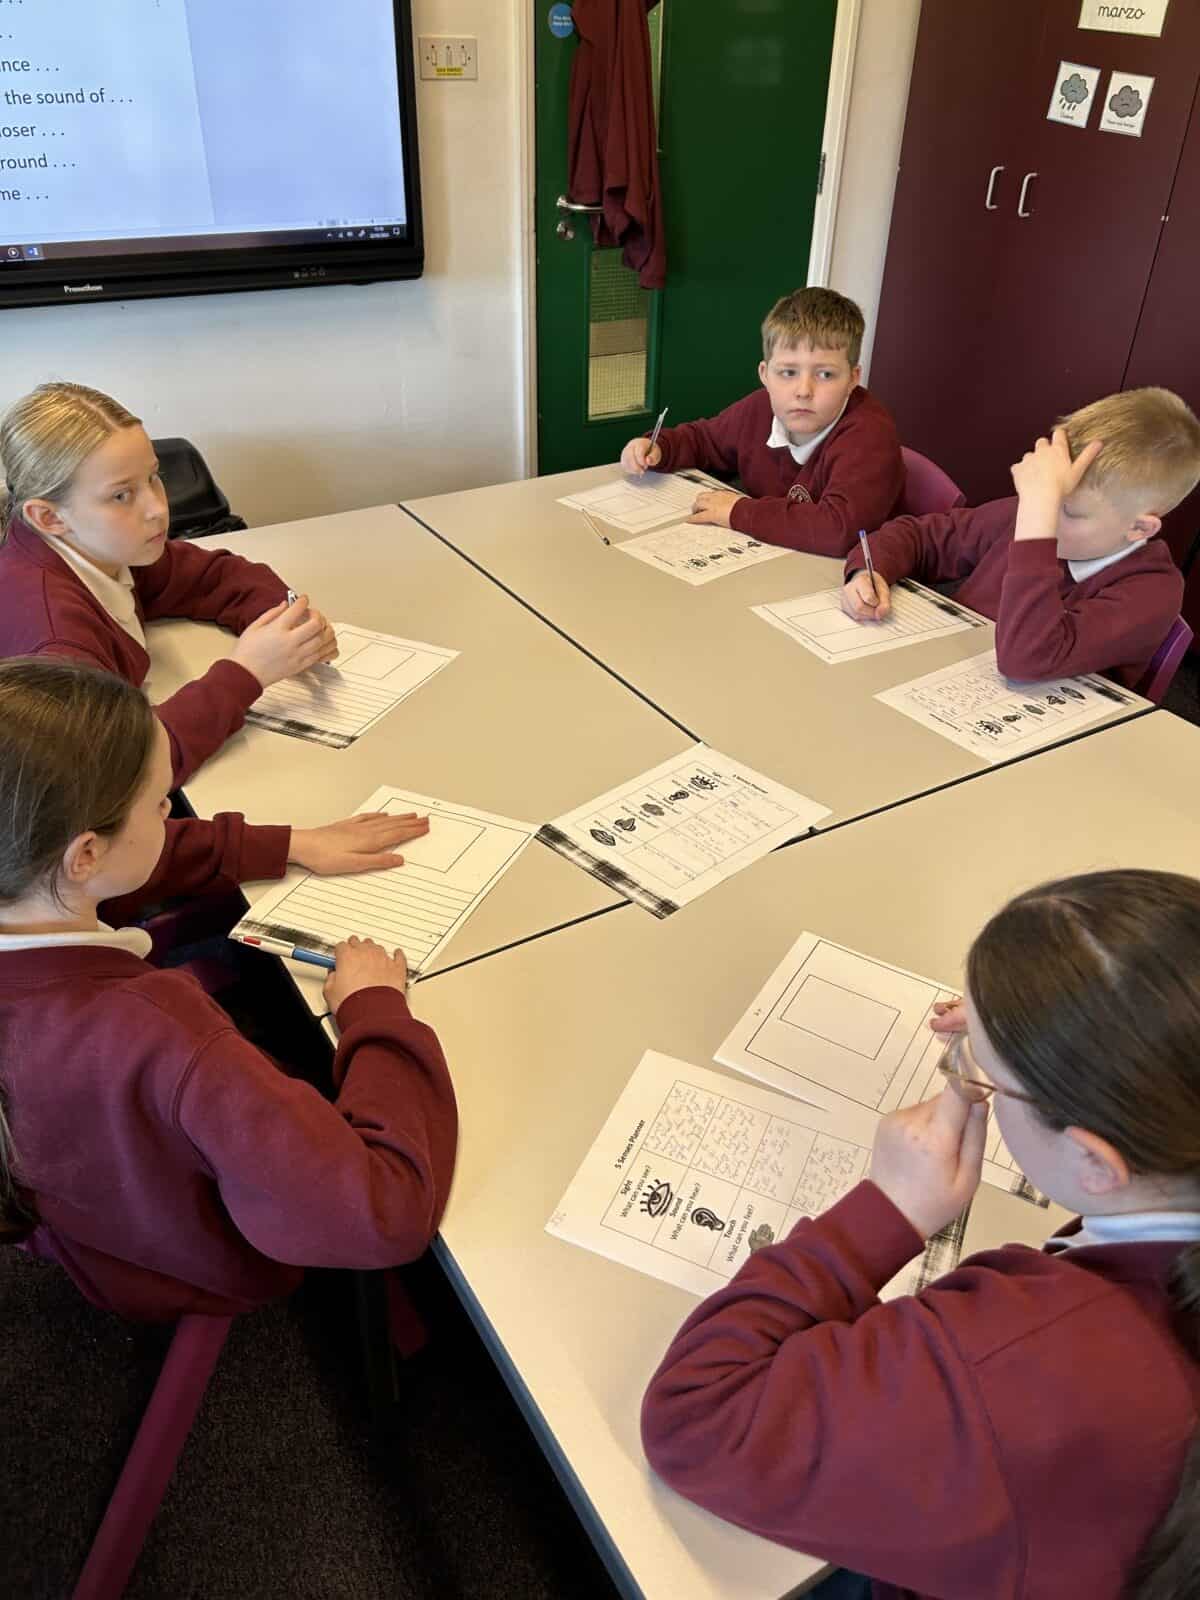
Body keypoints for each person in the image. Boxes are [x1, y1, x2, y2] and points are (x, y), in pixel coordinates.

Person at [641, 868, 1200, 1600]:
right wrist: (1025, 1031)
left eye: (984, 1076)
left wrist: (890, 1209)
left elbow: (699, 1418)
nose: (969, 1075)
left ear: (1096, 1162)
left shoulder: (1024, 1364)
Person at [0, 657, 456, 1319]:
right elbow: (383, 1213)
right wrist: (375, 1014)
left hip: (79, 1224)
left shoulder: (30, 880)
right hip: (188, 1261)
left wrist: (285, 844)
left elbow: (120, 858)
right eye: (159, 803)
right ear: (86, 854)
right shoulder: (161, 1032)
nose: (171, 814)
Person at [0, 381, 340, 784]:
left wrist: (284, 623)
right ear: (49, 517)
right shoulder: (55, 640)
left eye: (154, 478)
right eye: (122, 495)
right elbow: (120, 776)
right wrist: (247, 672)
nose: (158, 508)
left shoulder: (100, 547)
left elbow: (212, 576)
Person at [841, 388, 1200, 686]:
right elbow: (923, 537)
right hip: (948, 680)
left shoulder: (1151, 592)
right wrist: (869, 572)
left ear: (1139, 529)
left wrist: (1038, 520)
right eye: (1047, 500)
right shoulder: (1033, 511)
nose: (1044, 516)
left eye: (1069, 511)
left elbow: (1027, 658)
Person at [618, 287, 903, 554]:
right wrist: (659, 447)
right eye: (788, 372)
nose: (804, 391)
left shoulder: (869, 435)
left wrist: (738, 512)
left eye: (825, 374)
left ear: (853, 378)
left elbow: (840, 529)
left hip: (841, 576)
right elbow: (704, 440)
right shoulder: (760, 408)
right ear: (765, 374)